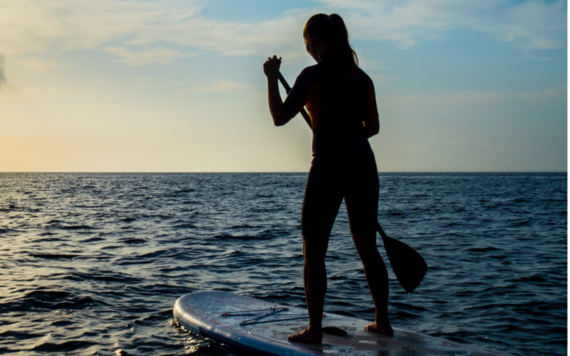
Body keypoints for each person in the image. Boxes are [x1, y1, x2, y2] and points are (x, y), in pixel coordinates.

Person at [263, 13, 393, 344]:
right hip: (363, 162)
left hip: (328, 164)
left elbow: (279, 118)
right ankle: (382, 321)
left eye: (306, 41)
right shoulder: (363, 80)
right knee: (368, 247)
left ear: (312, 40)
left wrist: (272, 77)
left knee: (314, 250)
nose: (305, 46)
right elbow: (373, 128)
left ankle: (314, 330)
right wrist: (350, 137)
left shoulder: (312, 75)